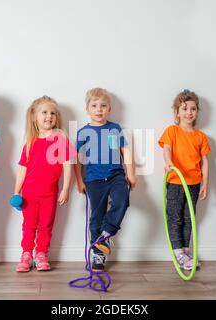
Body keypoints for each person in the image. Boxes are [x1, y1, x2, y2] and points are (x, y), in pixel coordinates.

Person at [74, 87, 137, 272]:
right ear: (87, 109)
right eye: (94, 106)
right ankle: (97, 254)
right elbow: (76, 159)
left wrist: (131, 173)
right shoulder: (84, 132)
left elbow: (124, 151)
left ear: (109, 109)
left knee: (122, 200)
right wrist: (79, 181)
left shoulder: (114, 129)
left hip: (116, 175)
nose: (99, 109)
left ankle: (106, 234)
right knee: (96, 215)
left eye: (103, 106)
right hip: (93, 179)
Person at [13, 96, 75, 272]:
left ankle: (41, 254)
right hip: (29, 194)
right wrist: (16, 191)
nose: (49, 116)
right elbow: (22, 169)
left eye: (53, 113)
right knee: (29, 225)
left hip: (50, 193)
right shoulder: (30, 142)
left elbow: (67, 165)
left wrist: (65, 189)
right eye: (45, 112)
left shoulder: (60, 139)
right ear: (34, 116)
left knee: (46, 225)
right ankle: (26, 254)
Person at [159, 89, 210, 270]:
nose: (189, 112)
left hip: (194, 183)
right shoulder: (171, 131)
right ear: (177, 112)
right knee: (175, 218)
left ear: (197, 112)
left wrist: (205, 183)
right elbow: (166, 149)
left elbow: (204, 161)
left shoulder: (200, 136)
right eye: (184, 108)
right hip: (175, 182)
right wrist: (169, 162)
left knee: (189, 218)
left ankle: (186, 252)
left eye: (193, 109)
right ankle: (178, 252)